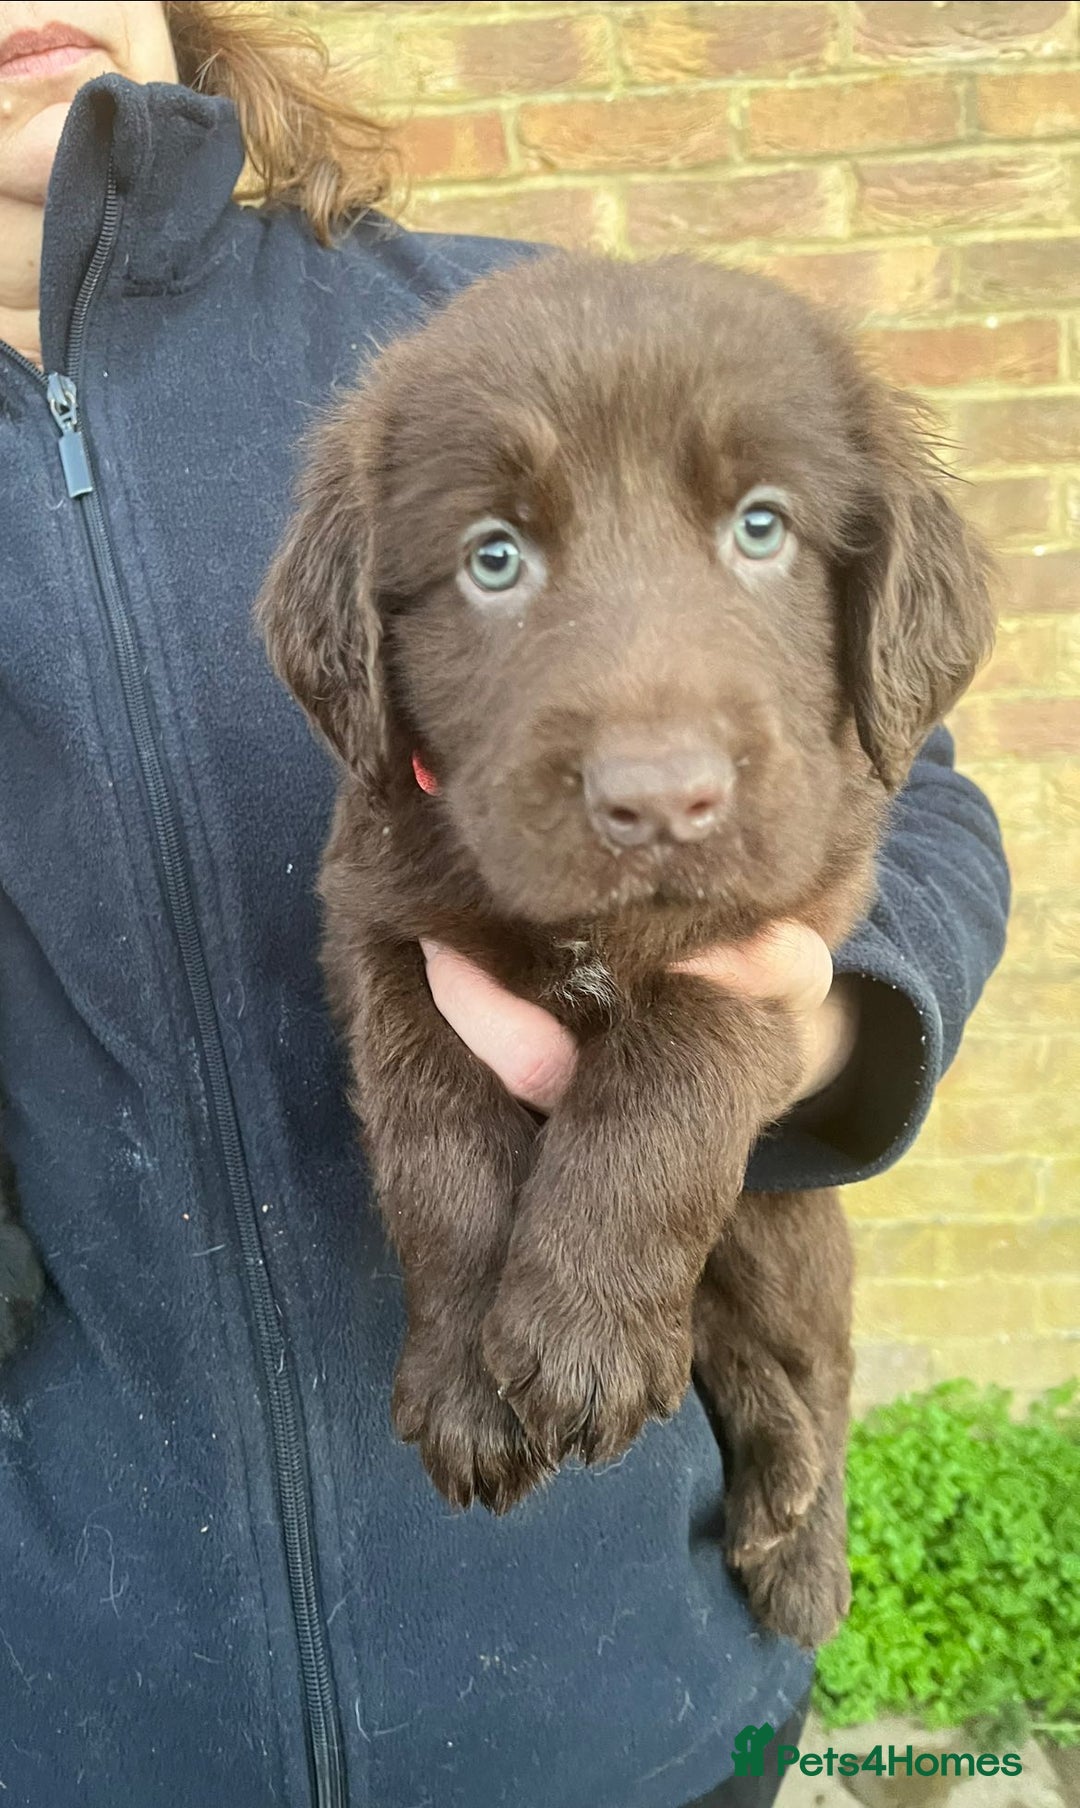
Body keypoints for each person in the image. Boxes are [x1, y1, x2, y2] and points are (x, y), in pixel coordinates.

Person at [0, 5, 1010, 1806]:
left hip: (620, 1687)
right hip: (93, 1699)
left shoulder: (481, 341)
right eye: (495, 561)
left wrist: (810, 1031)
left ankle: (800, 1466)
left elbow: (915, 792)